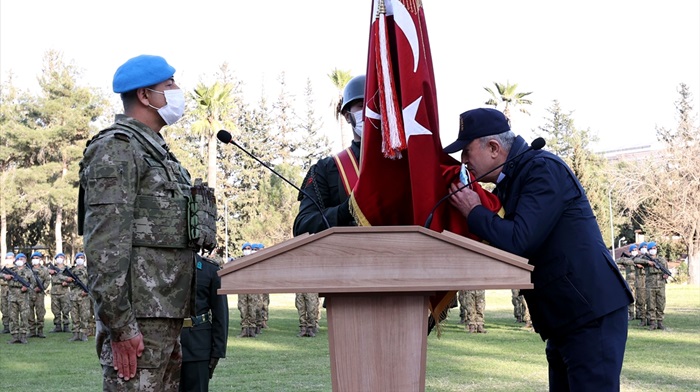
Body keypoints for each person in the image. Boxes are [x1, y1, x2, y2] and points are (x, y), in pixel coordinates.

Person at [444, 108, 633, 391]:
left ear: (493, 147)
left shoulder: (541, 168)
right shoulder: (516, 178)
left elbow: (519, 239)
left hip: (589, 317)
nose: (464, 161)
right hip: (567, 317)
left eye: (467, 151)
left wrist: (474, 211)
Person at [79, 54, 202, 390]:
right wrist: (121, 327)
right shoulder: (116, 149)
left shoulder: (156, 152)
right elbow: (105, 247)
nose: (178, 90)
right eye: (170, 84)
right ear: (145, 96)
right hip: (138, 323)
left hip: (164, 315)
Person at [293, 74, 365, 235]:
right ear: (347, 116)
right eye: (362, 105)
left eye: (377, 106)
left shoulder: (407, 164)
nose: (371, 112)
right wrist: (345, 211)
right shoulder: (326, 169)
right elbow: (303, 226)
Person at [179, 253, 228, 392]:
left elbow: (221, 314)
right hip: (166, 344)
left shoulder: (210, 270)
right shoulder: (161, 267)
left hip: (198, 345)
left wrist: (217, 351)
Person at [3, 253, 32, 344]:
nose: (20, 260)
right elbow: (1, 274)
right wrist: (5, 276)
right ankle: (14, 336)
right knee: (13, 316)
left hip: (23, 297)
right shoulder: (11, 270)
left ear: (25, 261)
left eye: (22, 259)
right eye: (19, 259)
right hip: (12, 295)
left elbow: (33, 283)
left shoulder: (28, 271)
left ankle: (23, 336)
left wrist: (27, 287)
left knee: (24, 316)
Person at [640, 241, 669, 330]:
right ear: (648, 250)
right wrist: (648, 262)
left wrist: (666, 275)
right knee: (650, 305)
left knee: (661, 304)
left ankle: (660, 322)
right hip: (650, 285)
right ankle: (652, 323)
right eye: (652, 249)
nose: (653, 250)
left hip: (660, 285)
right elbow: (636, 260)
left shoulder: (662, 260)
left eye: (655, 248)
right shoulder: (645, 259)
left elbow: (666, 269)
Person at [237, 242, 260, 338]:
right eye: (245, 248)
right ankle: (244, 329)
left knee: (252, 308)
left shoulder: (255, 260)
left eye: (249, 248)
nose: (247, 250)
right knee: (243, 308)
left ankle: (252, 329)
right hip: (242, 287)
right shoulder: (238, 260)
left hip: (252, 287)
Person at [67, 252, 90, 342]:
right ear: (75, 259)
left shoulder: (87, 270)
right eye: (78, 257)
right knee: (74, 316)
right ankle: (75, 334)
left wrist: (87, 291)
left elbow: (92, 281)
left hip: (84, 296)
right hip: (73, 296)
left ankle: (84, 334)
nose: (80, 259)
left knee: (84, 315)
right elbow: (62, 277)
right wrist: (68, 280)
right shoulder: (71, 270)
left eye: (82, 257)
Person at [48, 252, 72, 333]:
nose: (60, 259)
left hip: (64, 291)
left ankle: (66, 326)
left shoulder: (67, 269)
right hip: (54, 290)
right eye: (58, 257)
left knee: (66, 309)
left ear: (64, 259)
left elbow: (72, 279)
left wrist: (67, 282)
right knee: (55, 310)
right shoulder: (52, 269)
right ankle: (57, 326)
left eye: (61, 257)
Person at [28, 251, 50, 338]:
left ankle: (40, 331)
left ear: (40, 259)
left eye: (37, 258)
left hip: (39, 294)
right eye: (34, 258)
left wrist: (41, 288)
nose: (35, 260)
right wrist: (30, 287)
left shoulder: (44, 270)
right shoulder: (28, 270)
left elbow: (47, 280)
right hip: (29, 294)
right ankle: (32, 331)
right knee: (30, 313)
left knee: (40, 312)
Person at [616, 244, 639, 321]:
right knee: (631, 298)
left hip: (639, 281)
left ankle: (639, 314)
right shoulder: (627, 259)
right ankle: (631, 314)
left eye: (636, 250)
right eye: (633, 250)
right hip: (630, 281)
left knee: (640, 299)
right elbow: (617, 261)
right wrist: (627, 261)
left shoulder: (640, 258)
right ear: (630, 251)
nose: (635, 251)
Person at [253, 243, 270, 332]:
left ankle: (264, 321)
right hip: (257, 286)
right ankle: (258, 322)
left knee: (265, 304)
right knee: (258, 304)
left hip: (265, 285)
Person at [633, 242, 649, 325]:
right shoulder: (639, 258)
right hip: (640, 283)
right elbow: (635, 260)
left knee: (650, 302)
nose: (645, 248)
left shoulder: (650, 258)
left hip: (649, 282)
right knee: (641, 301)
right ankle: (643, 319)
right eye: (644, 247)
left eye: (646, 247)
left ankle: (650, 319)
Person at [1, 252, 14, 334]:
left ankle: (14, 327)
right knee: (4, 309)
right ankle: (6, 327)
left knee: (13, 310)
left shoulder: (16, 269)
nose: (9, 260)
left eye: (11, 258)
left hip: (12, 292)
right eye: (7, 258)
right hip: (3, 292)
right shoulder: (3, 269)